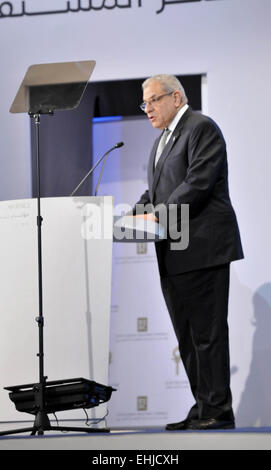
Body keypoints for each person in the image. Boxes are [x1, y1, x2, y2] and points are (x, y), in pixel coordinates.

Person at [132, 74, 244, 430]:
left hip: (203, 248)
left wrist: (157, 213)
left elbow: (197, 183)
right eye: (144, 102)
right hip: (173, 252)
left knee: (208, 334)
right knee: (187, 336)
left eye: (153, 100)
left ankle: (218, 410)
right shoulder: (161, 141)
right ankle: (202, 407)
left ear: (176, 97)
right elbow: (156, 193)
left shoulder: (201, 128)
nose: (147, 108)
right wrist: (135, 212)